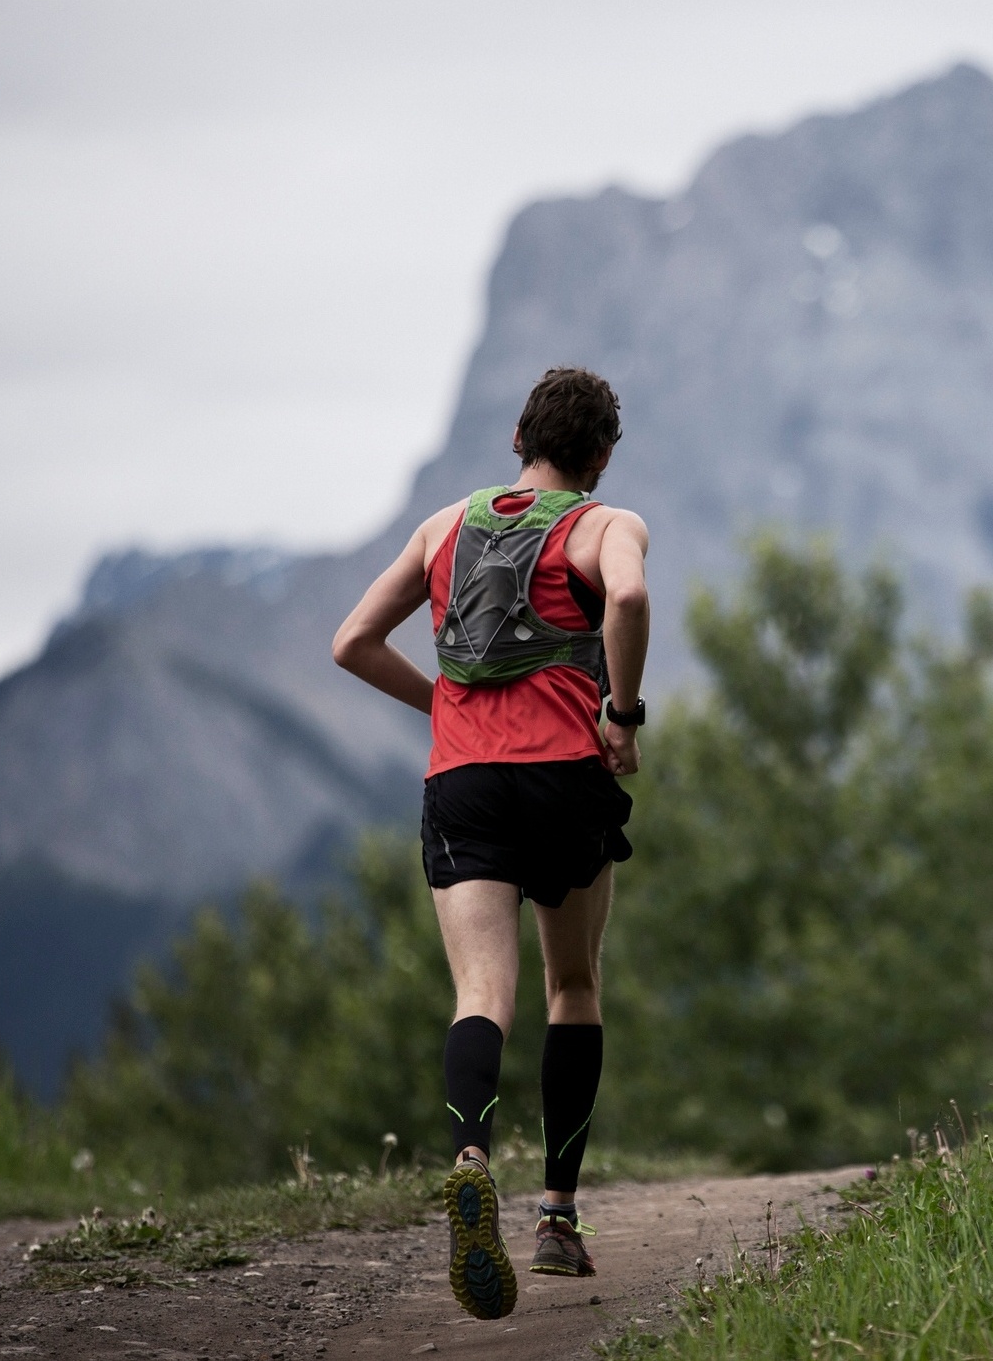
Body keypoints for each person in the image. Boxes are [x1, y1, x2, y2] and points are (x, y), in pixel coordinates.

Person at [332, 367, 649, 1320]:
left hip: (462, 783)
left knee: (481, 993)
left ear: (518, 437)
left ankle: (471, 1151)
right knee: (574, 986)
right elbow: (626, 604)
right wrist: (623, 716)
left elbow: (352, 641)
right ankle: (556, 1218)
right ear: (599, 457)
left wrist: (450, 707)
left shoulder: (443, 527)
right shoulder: (604, 524)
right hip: (564, 777)